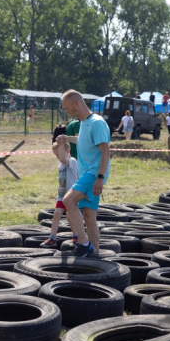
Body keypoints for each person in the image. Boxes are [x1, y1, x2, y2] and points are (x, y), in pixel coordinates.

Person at [57, 90, 111, 257]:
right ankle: (95, 254)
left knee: (68, 200)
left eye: (67, 108)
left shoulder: (97, 123)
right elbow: (84, 140)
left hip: (94, 173)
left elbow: (106, 152)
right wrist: (67, 138)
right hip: (88, 174)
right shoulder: (84, 123)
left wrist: (100, 178)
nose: (67, 112)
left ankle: (83, 243)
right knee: (88, 216)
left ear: (76, 104)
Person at [43, 139, 79, 247]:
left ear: (67, 150)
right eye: (56, 155)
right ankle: (52, 238)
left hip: (71, 196)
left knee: (69, 216)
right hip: (61, 195)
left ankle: (76, 235)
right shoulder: (61, 164)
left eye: (59, 154)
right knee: (56, 215)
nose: (58, 157)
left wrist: (62, 143)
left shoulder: (72, 161)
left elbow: (64, 159)